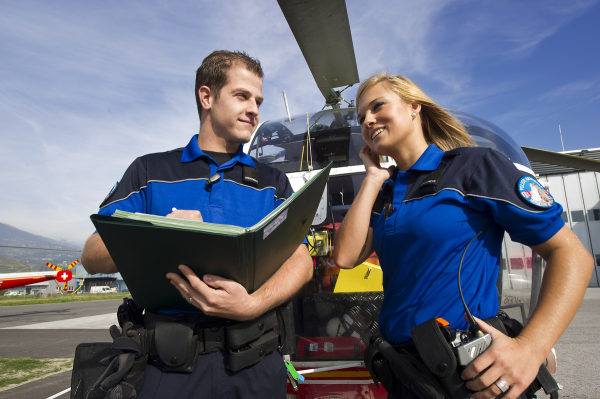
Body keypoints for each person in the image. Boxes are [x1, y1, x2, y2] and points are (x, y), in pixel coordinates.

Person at [332, 73, 593, 399]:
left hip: (469, 375)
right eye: (361, 118)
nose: (367, 120)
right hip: (408, 375)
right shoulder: (384, 193)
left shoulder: (474, 167)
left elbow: (571, 254)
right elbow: (344, 257)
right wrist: (372, 178)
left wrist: (531, 348)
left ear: (414, 107)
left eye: (378, 106)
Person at [80, 50, 313, 398]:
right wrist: (156, 229)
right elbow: (91, 254)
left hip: (256, 367)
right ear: (206, 97)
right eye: (242, 96)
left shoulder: (273, 182)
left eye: (258, 100)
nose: (254, 109)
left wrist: (253, 304)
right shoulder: (149, 171)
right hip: (169, 371)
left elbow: (302, 260)